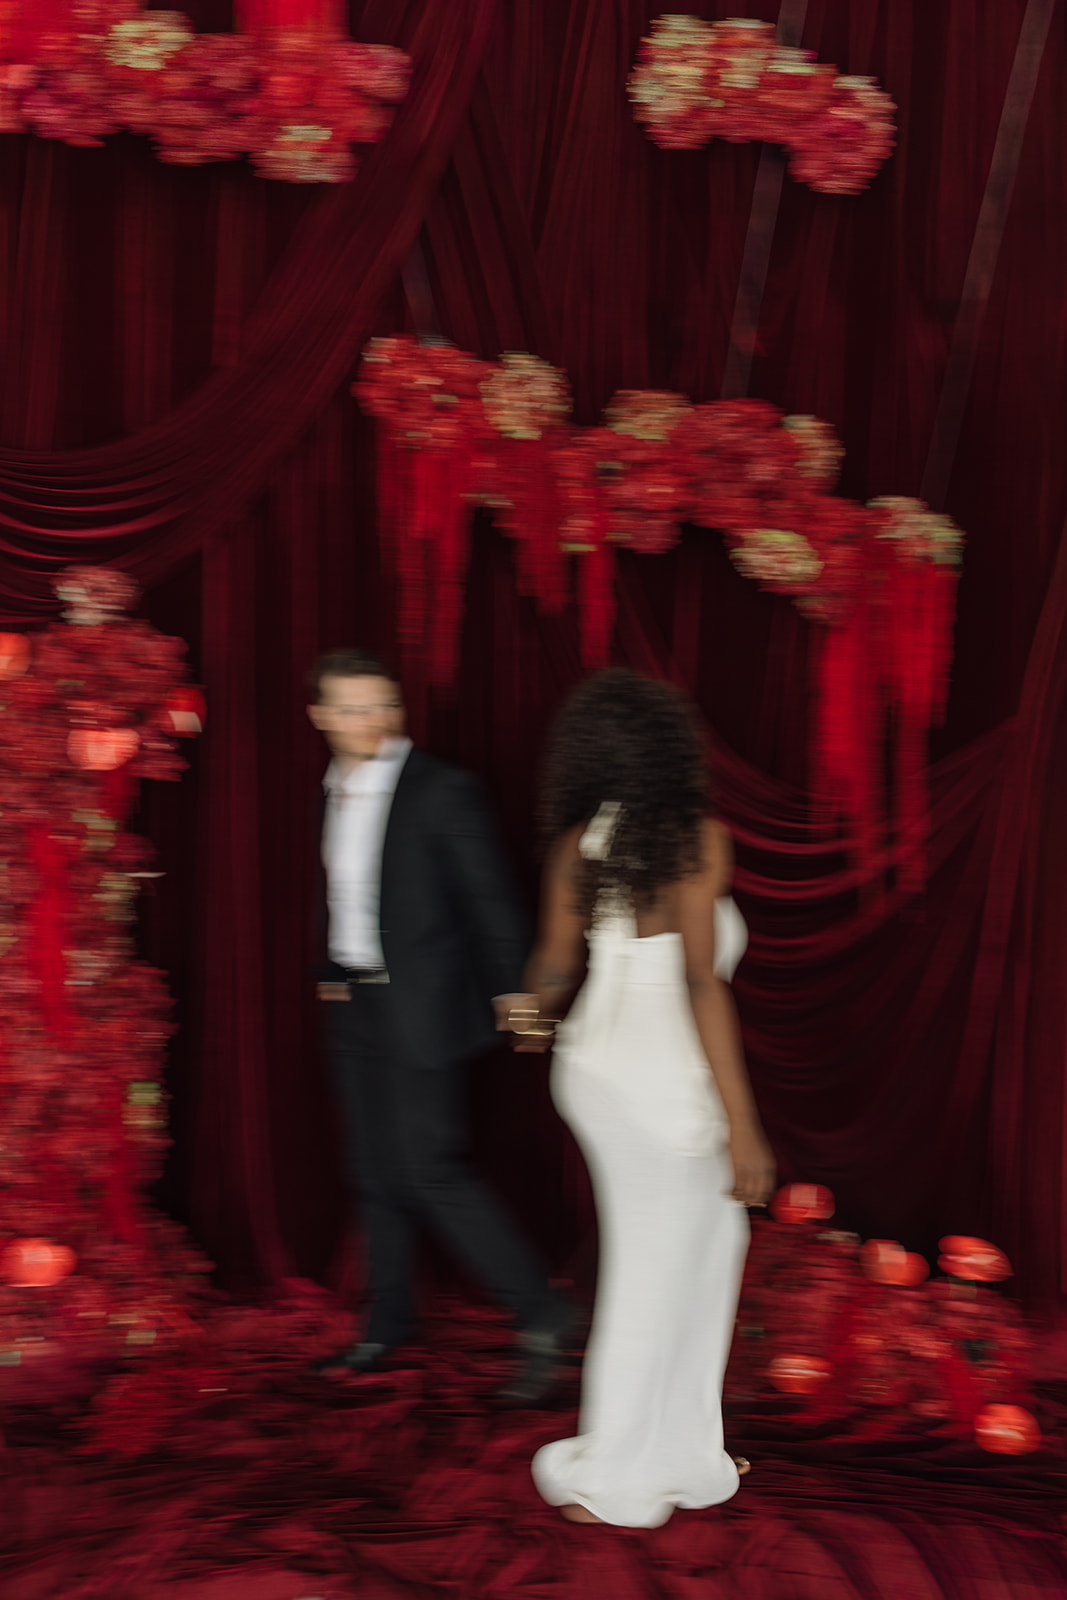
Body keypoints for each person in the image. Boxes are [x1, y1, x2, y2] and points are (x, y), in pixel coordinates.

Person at [506, 669, 776, 1527]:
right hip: (659, 1074)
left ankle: (683, 1448)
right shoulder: (698, 840)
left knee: (707, 1244)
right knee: (658, 1266)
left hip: (594, 1070)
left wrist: (528, 1021)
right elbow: (701, 984)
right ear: (669, 752)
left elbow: (550, 973)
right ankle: (612, 1474)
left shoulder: (578, 843)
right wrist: (744, 1130)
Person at [307, 648, 573, 1403]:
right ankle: (386, 1324)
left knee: (430, 1168)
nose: (375, 720)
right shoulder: (327, 789)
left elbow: (492, 905)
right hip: (355, 1007)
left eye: (384, 704)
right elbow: (343, 900)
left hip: (422, 1008)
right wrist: (333, 979)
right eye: (354, 707)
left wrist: (518, 1000)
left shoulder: (442, 790)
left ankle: (542, 1311)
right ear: (320, 716)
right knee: (372, 1174)